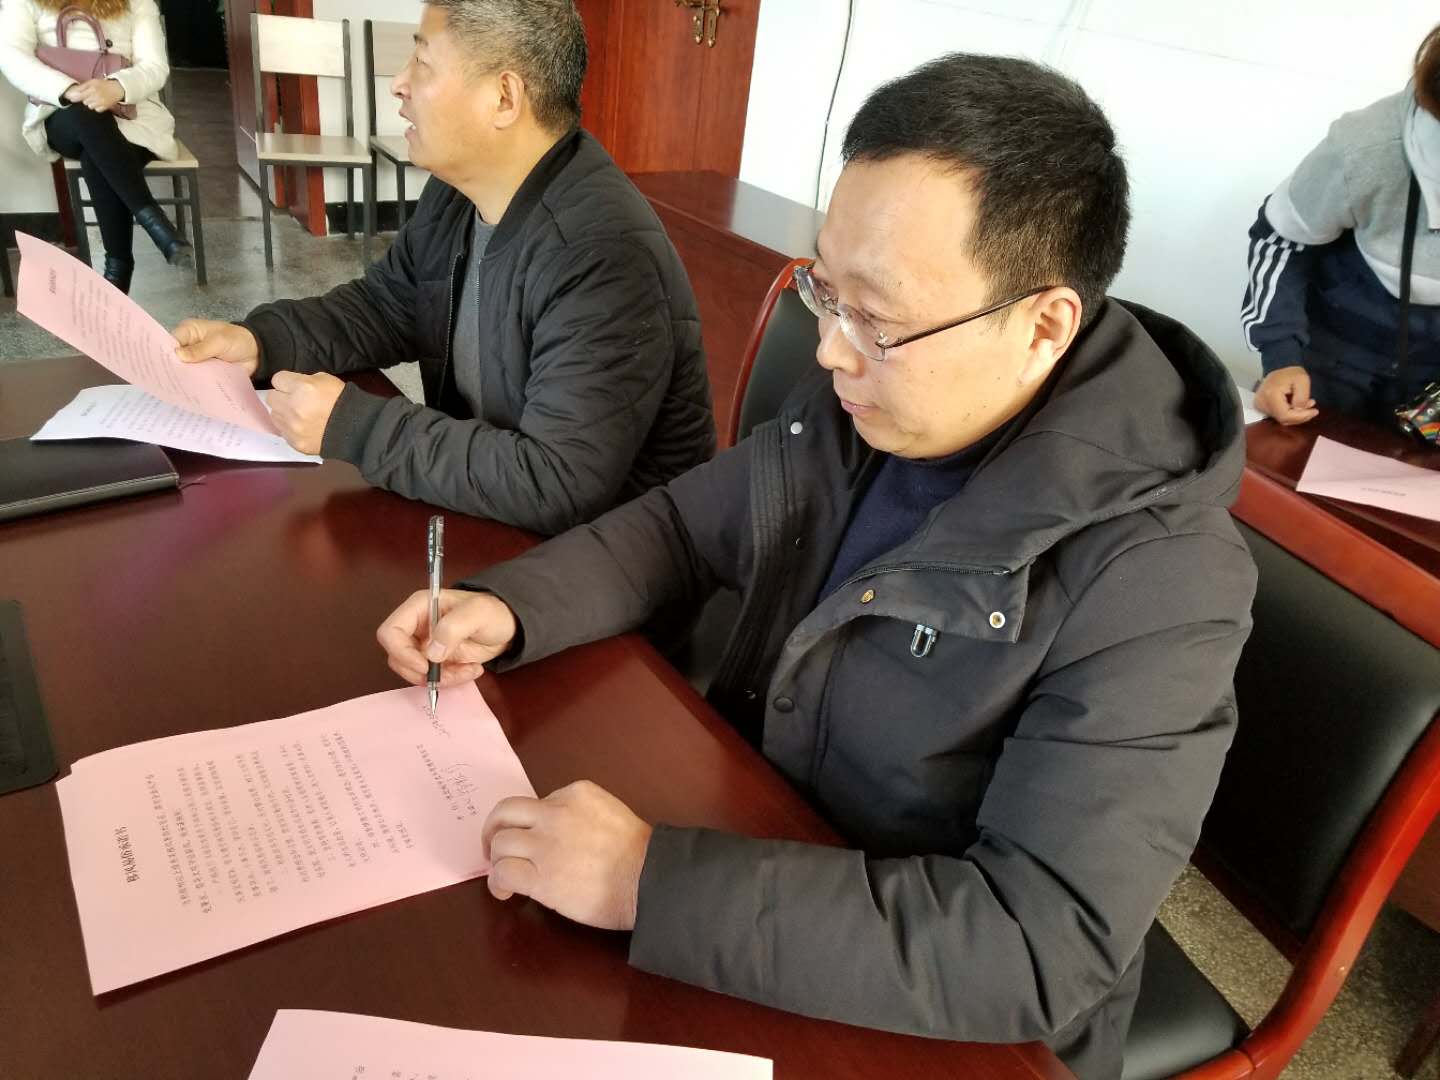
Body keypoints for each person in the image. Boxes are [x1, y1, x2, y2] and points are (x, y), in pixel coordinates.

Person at [376, 53, 1258, 1079]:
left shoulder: (1164, 580)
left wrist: (652, 885)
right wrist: (510, 606)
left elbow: (1036, 942)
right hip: (766, 842)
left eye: (875, 318)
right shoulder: (873, 412)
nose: (832, 349)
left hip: (940, 1015)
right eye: (825, 293)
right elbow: (683, 527)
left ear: (1043, 324)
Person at [172, 0, 713, 534]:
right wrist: (260, 341)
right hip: (495, 516)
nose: (399, 84)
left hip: (612, 557)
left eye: (423, 63)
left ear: (504, 98)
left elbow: (556, 480)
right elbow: (385, 307)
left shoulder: (600, 255)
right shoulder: (458, 195)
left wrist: (354, 427)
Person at [1244, 24, 1440, 426]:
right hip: (1331, 358)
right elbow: (1282, 240)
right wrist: (1281, 357)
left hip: (1430, 386)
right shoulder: (1366, 147)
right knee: (1290, 460)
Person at [0, 0, 191, 294]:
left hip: (133, 116)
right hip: (62, 112)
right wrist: (70, 90)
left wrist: (116, 87)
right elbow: (11, 55)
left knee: (98, 157)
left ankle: (117, 272)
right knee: (87, 116)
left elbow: (155, 66)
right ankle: (155, 222)